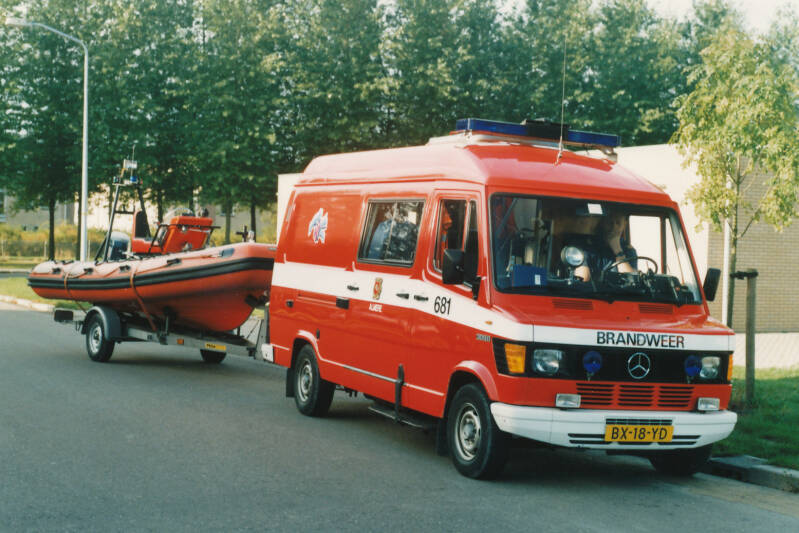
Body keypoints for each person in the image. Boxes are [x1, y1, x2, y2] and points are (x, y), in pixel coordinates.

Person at [564, 211, 636, 282]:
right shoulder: (585, 246)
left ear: (624, 225)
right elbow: (583, 280)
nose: (614, 227)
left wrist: (617, 250)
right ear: (602, 223)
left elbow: (631, 281)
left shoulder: (628, 250)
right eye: (610, 223)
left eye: (618, 223)